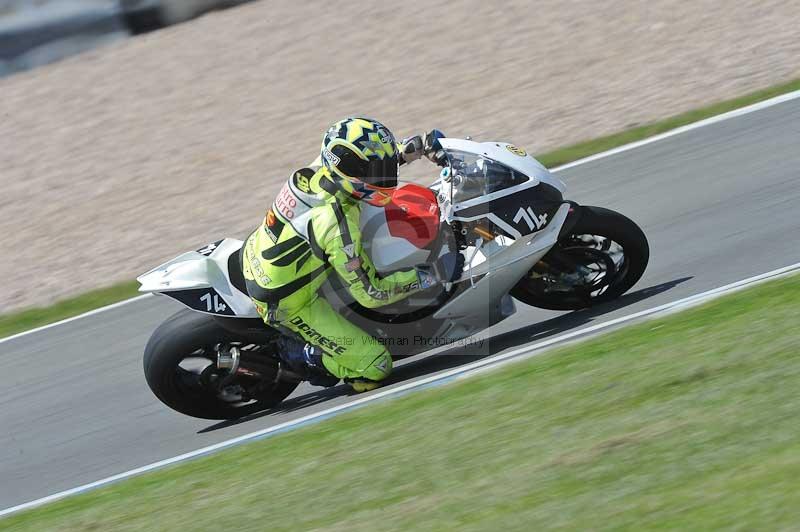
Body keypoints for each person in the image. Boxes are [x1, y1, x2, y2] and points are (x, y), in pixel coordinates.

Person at [242, 117, 452, 392]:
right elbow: (372, 294)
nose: (385, 177)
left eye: (384, 166)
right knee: (375, 367)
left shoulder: (323, 166)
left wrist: (412, 148)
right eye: (378, 170)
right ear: (351, 171)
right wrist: (431, 275)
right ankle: (296, 355)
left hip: (261, 253)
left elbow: (366, 168)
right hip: (286, 301)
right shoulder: (336, 224)